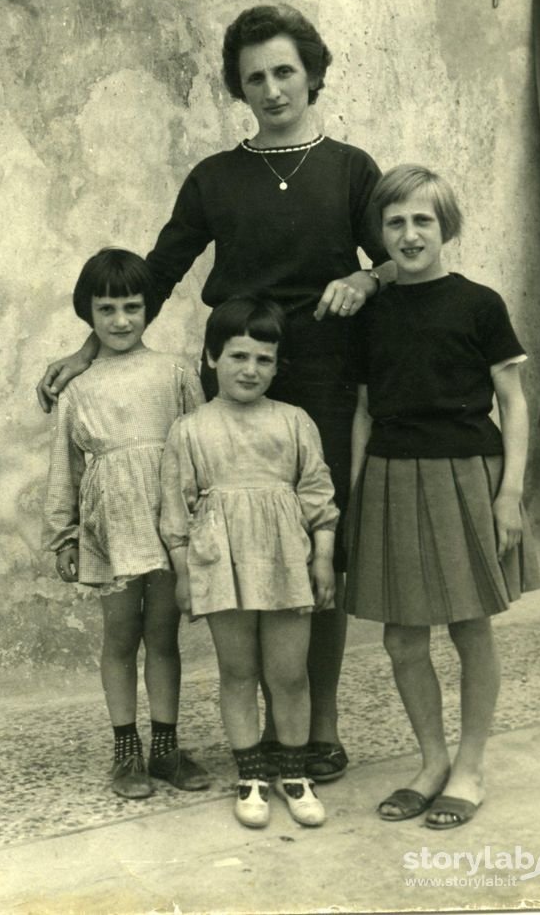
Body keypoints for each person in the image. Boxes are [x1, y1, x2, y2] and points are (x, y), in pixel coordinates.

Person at [36, 4, 394, 782]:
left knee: (307, 549)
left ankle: (313, 729)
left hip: (325, 382)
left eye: (284, 72)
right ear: (238, 87)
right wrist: (85, 348)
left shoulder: (350, 168)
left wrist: (365, 277)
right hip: (229, 384)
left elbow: (399, 254)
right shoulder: (214, 177)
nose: (271, 89)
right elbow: (156, 273)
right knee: (235, 545)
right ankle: (254, 732)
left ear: (312, 74)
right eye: (254, 77)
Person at [344, 165, 540, 830]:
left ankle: (470, 766)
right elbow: (365, 412)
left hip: (467, 473)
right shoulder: (371, 309)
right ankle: (430, 762)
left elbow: (513, 405)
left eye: (421, 220)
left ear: (444, 226)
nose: (407, 233)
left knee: (468, 626)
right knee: (402, 637)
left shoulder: (478, 303)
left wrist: (509, 493)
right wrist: (353, 496)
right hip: (392, 477)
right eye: (394, 221)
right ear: (380, 232)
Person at [160, 296, 338, 828]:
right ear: (212, 357)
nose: (251, 369)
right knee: (238, 672)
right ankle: (251, 774)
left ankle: (293, 771)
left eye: (264, 359)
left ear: (278, 365)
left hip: (286, 563)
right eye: (238, 356)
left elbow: (317, 495)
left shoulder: (295, 421)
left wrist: (323, 560)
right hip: (220, 566)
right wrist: (186, 576)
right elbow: (175, 510)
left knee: (289, 674)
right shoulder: (190, 430)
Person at [42, 248, 210, 800]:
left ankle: (165, 746)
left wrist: (204, 523)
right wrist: (63, 535)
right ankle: (125, 749)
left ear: (148, 309)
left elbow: (202, 451)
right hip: (110, 529)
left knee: (162, 637)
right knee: (120, 637)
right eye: (107, 309)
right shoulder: (77, 387)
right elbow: (63, 466)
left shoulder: (175, 373)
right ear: (87, 314)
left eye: (132, 307)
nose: (120, 321)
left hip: (167, 527)